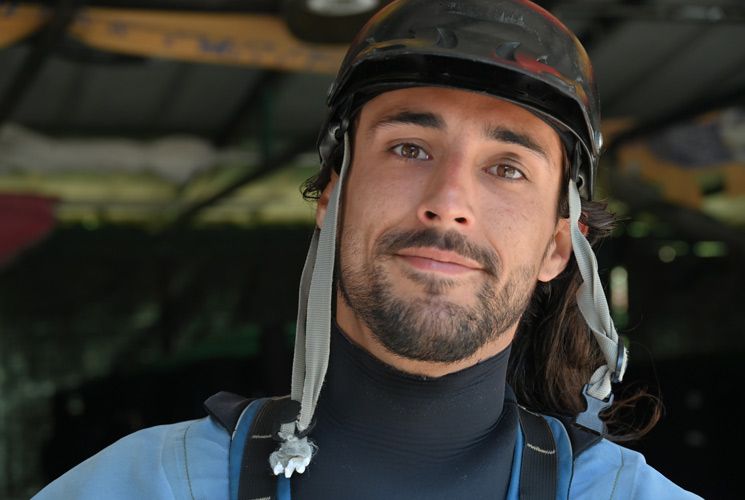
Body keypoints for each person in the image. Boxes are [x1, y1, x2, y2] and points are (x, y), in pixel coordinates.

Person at [34, 1, 700, 498]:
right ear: (330, 199)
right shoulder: (139, 485)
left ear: (560, 245)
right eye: (409, 148)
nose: (449, 201)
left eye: (506, 167)